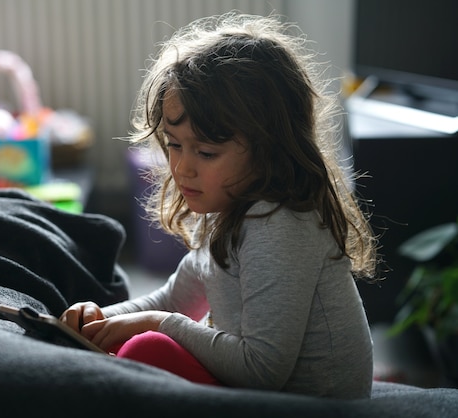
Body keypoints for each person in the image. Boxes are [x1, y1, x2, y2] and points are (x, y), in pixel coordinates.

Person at [60, 12, 378, 399]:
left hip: (310, 405)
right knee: (137, 346)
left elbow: (262, 370)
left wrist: (161, 325)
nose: (181, 167)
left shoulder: (280, 227)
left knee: (147, 349)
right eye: (174, 145)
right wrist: (97, 320)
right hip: (270, 395)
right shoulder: (227, 211)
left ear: (269, 150)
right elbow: (175, 299)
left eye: (206, 152)